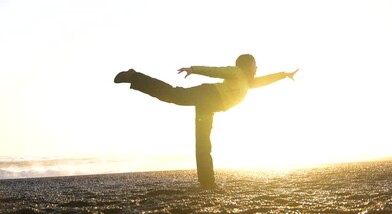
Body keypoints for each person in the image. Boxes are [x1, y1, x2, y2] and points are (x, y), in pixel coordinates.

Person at [114, 54, 298, 188]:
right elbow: (215, 71)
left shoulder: (249, 82)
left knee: (203, 142)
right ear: (248, 65)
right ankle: (135, 77)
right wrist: (193, 69)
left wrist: (284, 74)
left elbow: (265, 80)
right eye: (255, 65)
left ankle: (207, 182)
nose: (257, 68)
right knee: (174, 95)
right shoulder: (236, 72)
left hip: (209, 106)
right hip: (208, 94)